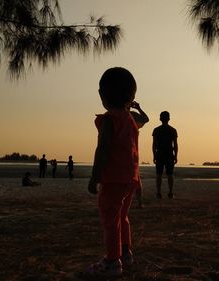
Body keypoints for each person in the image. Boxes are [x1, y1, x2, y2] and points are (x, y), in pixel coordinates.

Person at [86, 67, 140, 277]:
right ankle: (125, 253)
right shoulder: (130, 120)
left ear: (103, 95)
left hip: (114, 179)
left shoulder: (109, 120)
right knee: (122, 216)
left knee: (110, 220)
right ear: (131, 97)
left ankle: (111, 261)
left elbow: (103, 149)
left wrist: (94, 176)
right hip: (130, 178)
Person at [152, 111, 178, 199]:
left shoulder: (156, 130)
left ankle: (158, 193)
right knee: (170, 174)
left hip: (160, 154)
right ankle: (170, 192)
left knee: (159, 174)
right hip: (169, 154)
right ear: (169, 119)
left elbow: (154, 144)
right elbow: (175, 144)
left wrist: (154, 155)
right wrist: (176, 155)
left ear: (160, 119)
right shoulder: (172, 130)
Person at [129, 101, 149, 208]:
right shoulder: (132, 116)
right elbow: (145, 119)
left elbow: (146, 119)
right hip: (132, 152)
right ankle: (139, 202)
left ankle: (139, 202)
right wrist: (138, 108)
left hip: (129, 152)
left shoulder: (130, 116)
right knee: (136, 178)